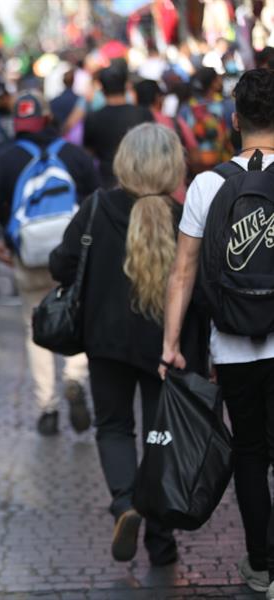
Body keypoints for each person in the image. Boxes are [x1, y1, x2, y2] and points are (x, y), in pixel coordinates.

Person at [50, 123, 207, 566]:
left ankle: (125, 504)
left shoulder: (97, 207)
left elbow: (61, 263)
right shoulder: (185, 215)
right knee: (164, 437)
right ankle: (162, 540)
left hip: (107, 342)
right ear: (173, 164)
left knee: (115, 427)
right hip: (170, 349)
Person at [162, 68, 274, 597]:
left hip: (232, 344)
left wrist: (171, 343)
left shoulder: (209, 185)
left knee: (251, 452)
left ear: (235, 121)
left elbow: (183, 271)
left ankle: (262, 564)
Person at [0, 91, 99, 436]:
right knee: (81, 317)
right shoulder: (74, 156)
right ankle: (74, 375)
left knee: (35, 326)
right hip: (72, 255)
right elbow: (96, 199)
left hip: (27, 258)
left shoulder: (6, 160)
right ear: (49, 120)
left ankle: (47, 407)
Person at [83, 66, 154, 188]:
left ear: (102, 88)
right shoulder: (143, 113)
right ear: (126, 85)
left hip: (107, 182)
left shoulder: (93, 118)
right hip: (141, 181)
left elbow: (89, 152)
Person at [178, 66, 236, 171]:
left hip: (196, 166)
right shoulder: (227, 105)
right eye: (218, 78)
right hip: (224, 165)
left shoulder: (186, 108)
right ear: (213, 83)